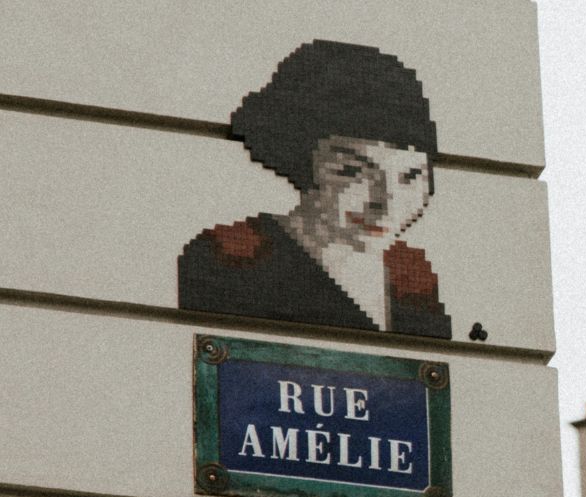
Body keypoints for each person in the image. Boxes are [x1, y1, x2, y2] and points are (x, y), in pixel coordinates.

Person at [178, 40, 450, 339]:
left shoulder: (411, 276)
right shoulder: (234, 257)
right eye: (353, 172)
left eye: (410, 177)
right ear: (299, 160)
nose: (386, 205)